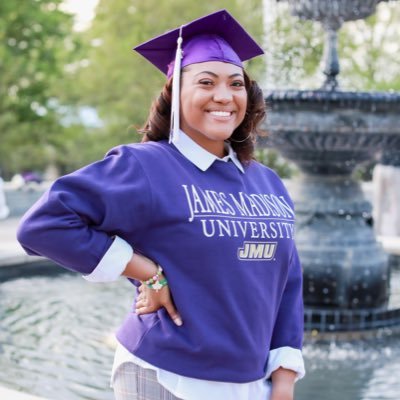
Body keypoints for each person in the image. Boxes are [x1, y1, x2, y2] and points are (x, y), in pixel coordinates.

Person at [17, 9, 305, 400]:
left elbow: (287, 283)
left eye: (236, 84)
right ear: (175, 92)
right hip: (165, 376)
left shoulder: (267, 182)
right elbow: (44, 225)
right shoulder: (145, 165)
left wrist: (283, 380)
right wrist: (145, 270)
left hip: (250, 383)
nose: (224, 95)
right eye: (206, 82)